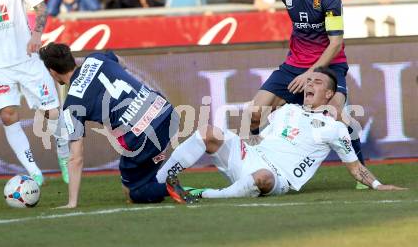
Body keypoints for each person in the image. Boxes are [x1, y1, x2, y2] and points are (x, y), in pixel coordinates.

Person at [157, 68, 406, 198]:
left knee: (261, 178)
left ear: (329, 95)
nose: (309, 85)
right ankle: (158, 183)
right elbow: (262, 138)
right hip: (251, 157)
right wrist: (240, 141)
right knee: (208, 132)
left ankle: (201, 194)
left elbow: (355, 167)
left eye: (317, 83)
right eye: (309, 81)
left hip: (277, 177)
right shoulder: (288, 110)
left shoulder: (335, 128)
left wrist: (377, 184)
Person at [38, 42, 195, 208]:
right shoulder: (95, 58)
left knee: (133, 192)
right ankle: (163, 183)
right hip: (165, 112)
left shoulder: (72, 103)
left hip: (141, 136)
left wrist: (72, 202)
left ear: (53, 72)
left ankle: (166, 187)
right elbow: (122, 62)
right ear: (71, 59)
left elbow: (76, 157)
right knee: (147, 168)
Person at [247, 0, 369, 189]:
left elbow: (336, 43)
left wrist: (310, 74)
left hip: (330, 65)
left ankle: (361, 173)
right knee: (254, 113)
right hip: (293, 66)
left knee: (336, 114)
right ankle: (255, 158)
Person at [0, 0, 69, 186]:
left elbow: (41, 8)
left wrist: (36, 35)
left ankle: (64, 155)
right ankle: (34, 172)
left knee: (51, 112)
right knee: (7, 115)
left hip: (28, 59)